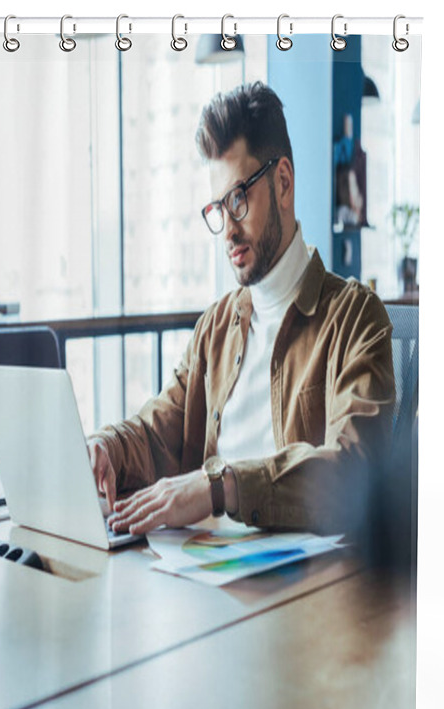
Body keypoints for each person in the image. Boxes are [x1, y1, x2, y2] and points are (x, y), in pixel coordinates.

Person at [88, 81, 395, 538]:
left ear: (284, 182)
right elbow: (158, 432)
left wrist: (221, 486)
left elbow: (352, 471)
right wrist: (105, 448)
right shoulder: (215, 327)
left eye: (238, 199)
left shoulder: (356, 318)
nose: (227, 230)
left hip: (301, 592)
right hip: (208, 575)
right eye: (218, 207)